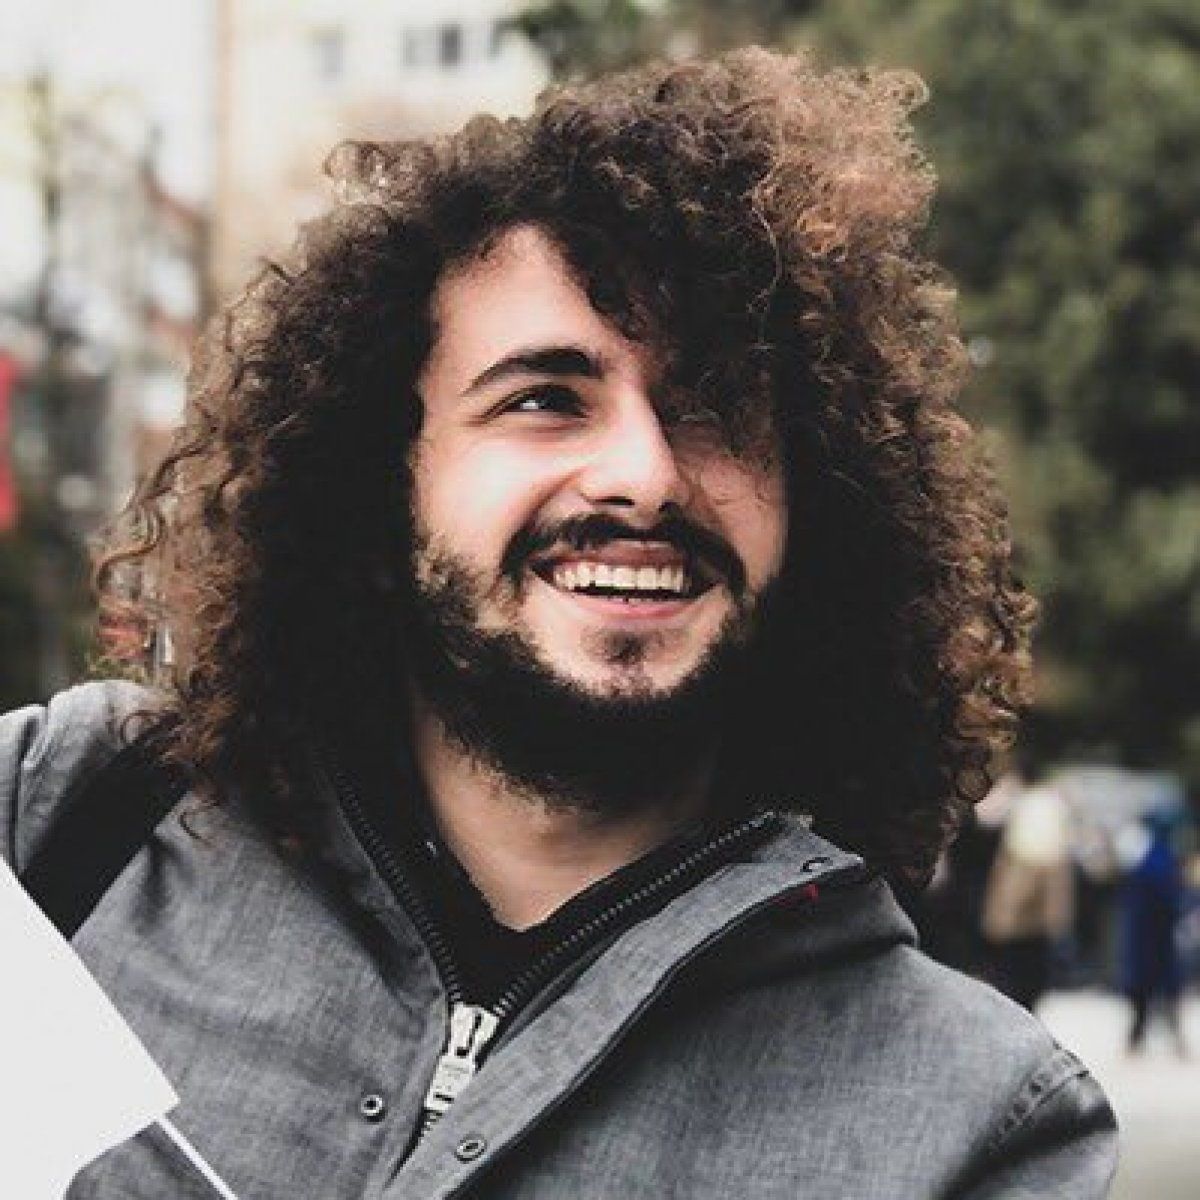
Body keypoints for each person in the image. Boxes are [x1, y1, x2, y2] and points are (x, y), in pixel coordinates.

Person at [1, 49, 1116, 1198]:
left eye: (714, 408)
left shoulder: (977, 1121)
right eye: (544, 399)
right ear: (383, 479)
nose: (643, 474)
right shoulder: (64, 818)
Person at [981, 776, 1075, 1011]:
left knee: (1014, 981)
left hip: (1018, 928)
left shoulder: (1022, 844)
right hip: (1033, 929)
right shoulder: (1049, 846)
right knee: (1026, 982)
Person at [1120, 809, 1188, 1056]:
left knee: (1146, 992)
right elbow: (1171, 899)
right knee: (1161, 991)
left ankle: (1137, 1040)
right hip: (1157, 938)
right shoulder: (1162, 859)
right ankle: (1149, 1039)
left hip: (1147, 938)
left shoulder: (1147, 857)